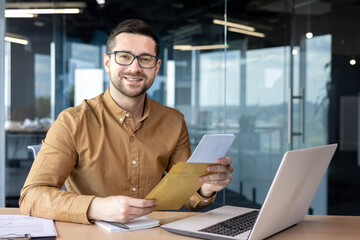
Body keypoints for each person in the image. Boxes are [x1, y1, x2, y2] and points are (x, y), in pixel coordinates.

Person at [19, 19, 233, 225]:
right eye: (124, 56)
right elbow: (31, 196)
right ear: (107, 63)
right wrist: (97, 207)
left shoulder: (174, 121)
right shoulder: (73, 121)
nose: (134, 68)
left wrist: (208, 186)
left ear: (156, 67)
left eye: (145, 59)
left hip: (152, 233)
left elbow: (188, 195)